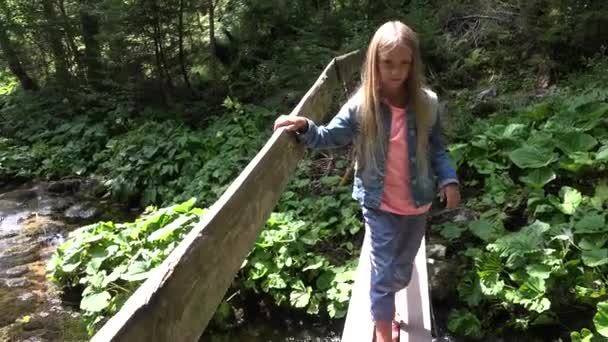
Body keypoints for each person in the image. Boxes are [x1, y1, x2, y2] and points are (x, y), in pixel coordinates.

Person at [273, 20, 460, 342]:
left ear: (413, 64)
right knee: (384, 271)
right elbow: (329, 136)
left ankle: (386, 306)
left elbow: (438, 148)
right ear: (375, 62)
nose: (396, 71)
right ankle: (384, 329)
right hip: (379, 204)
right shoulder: (363, 106)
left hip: (417, 203)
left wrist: (449, 180)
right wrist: (305, 126)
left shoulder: (427, 103)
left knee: (401, 271)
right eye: (388, 63)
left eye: (404, 63)